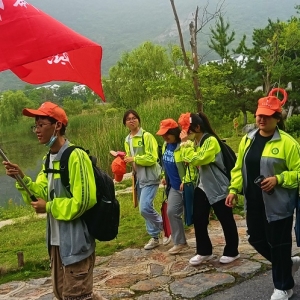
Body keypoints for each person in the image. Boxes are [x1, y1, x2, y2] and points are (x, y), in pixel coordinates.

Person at [3, 102, 106, 300]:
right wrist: (21, 178)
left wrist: (49, 206)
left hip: (76, 243)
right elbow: (41, 192)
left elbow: (84, 201)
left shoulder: (76, 156)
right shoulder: (48, 159)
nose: (37, 130)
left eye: (41, 124)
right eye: (35, 126)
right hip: (57, 244)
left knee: (76, 295)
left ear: (57, 126)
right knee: (62, 294)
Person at [225, 95, 300, 300]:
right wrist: (233, 189)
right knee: (255, 238)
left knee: (279, 244)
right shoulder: (247, 139)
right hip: (254, 202)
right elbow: (239, 168)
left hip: (278, 205)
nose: (261, 120)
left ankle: (284, 286)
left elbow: (298, 173)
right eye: (259, 115)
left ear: (277, 118)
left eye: (267, 116)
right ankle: (287, 263)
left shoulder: (288, 143)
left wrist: (279, 179)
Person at [178, 112, 239, 266]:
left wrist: (184, 144)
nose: (185, 132)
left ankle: (232, 251)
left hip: (218, 186)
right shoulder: (195, 142)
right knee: (199, 219)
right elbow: (186, 159)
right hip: (203, 185)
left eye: (188, 129)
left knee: (225, 219)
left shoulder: (211, 141)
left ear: (198, 127)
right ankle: (204, 251)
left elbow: (198, 159)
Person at [123, 109, 164, 250]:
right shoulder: (127, 140)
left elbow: (153, 158)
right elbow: (130, 158)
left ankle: (165, 226)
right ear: (125, 123)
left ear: (138, 120)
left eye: (134, 118)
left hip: (151, 176)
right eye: (129, 119)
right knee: (146, 209)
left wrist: (134, 159)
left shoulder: (146, 136)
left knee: (144, 208)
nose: (132, 120)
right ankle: (155, 237)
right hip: (139, 178)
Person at [156, 118, 196, 254]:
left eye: (167, 134)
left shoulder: (185, 145)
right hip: (174, 186)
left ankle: (203, 244)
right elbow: (165, 164)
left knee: (195, 215)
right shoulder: (166, 146)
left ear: (174, 132)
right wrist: (164, 177)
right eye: (162, 135)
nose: (165, 137)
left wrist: (187, 180)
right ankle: (180, 242)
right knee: (171, 212)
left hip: (187, 186)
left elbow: (192, 165)